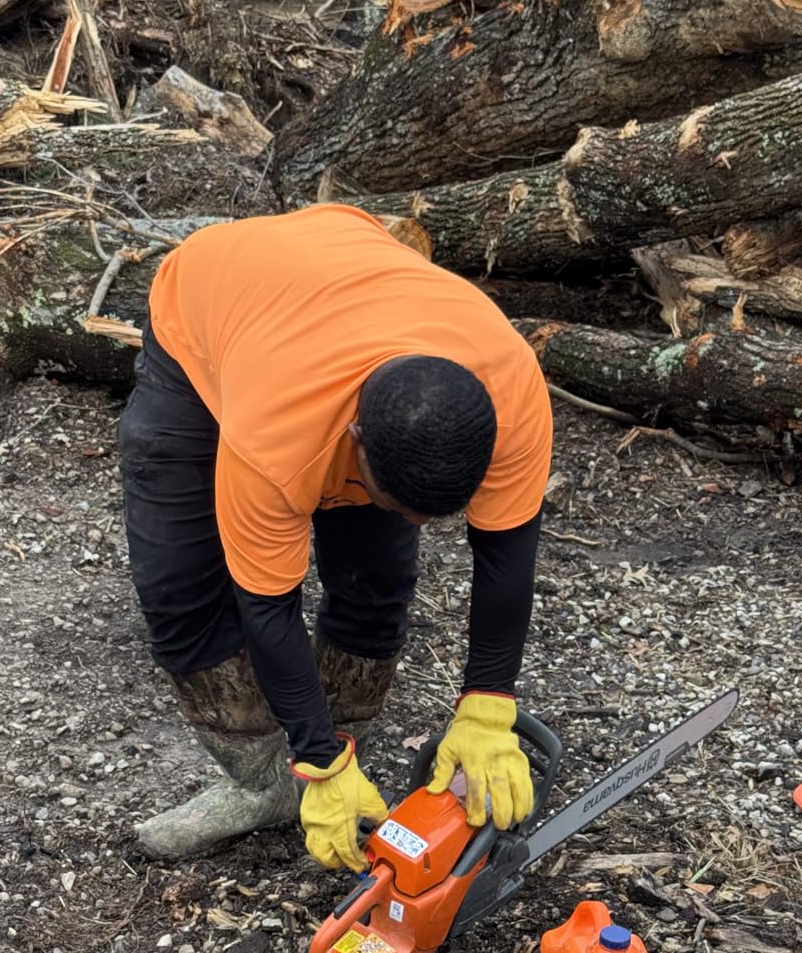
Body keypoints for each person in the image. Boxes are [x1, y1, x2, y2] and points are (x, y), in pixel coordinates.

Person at [117, 204, 553, 872]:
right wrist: (317, 759)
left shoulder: (512, 393)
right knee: (180, 588)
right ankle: (267, 785)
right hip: (211, 304)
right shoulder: (276, 436)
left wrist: (488, 705)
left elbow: (508, 556)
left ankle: (343, 754)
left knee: (375, 569)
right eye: (400, 504)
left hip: (347, 285)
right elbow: (268, 605)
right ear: (356, 439)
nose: (416, 525)